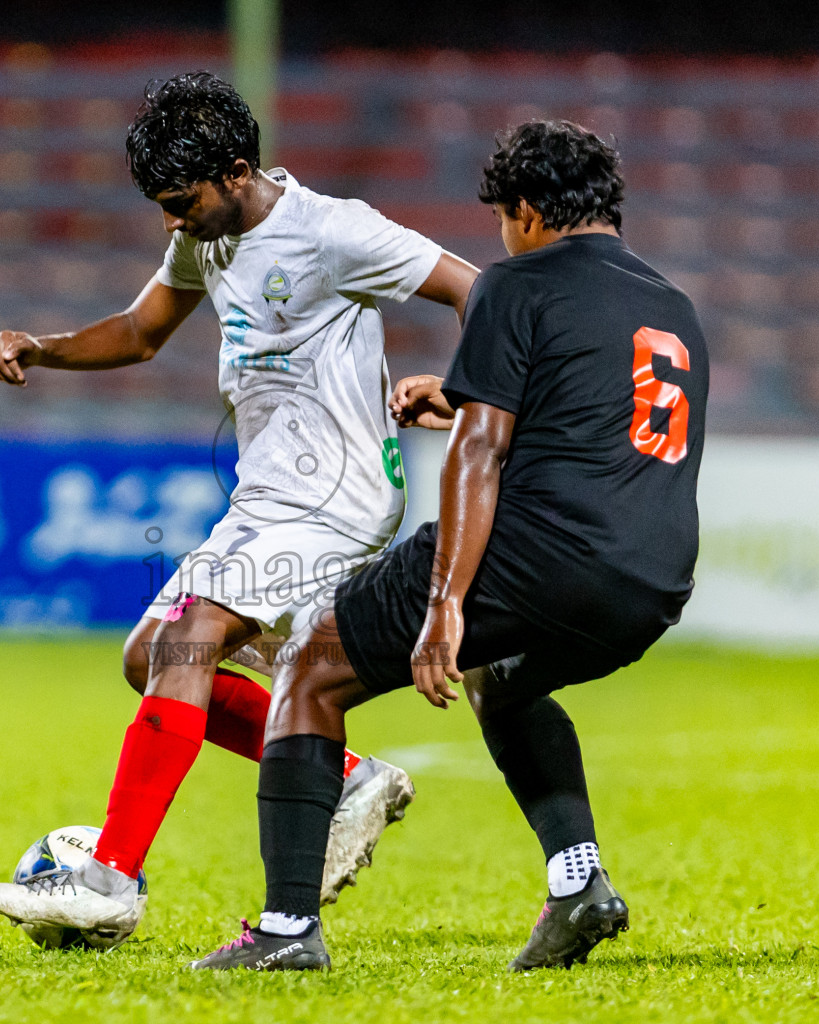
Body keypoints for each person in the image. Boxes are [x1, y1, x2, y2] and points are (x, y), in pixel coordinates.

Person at [190, 119, 709, 971]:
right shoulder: (672, 308)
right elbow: (591, 428)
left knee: (310, 667)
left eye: (506, 217)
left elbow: (480, 453)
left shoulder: (518, 283)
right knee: (501, 680)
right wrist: (463, 398)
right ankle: (579, 881)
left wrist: (445, 605)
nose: (503, 235)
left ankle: (285, 931)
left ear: (531, 212)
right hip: (652, 582)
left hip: (544, 555)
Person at [0, 72, 479, 946]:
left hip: (335, 498)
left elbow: (479, 290)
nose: (172, 222)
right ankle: (352, 778)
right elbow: (140, 331)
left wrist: (468, 394)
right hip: (267, 498)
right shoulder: (204, 234)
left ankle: (111, 878)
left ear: (237, 170)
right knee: (151, 658)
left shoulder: (334, 231)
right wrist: (42, 349)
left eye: (181, 202)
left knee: (192, 632)